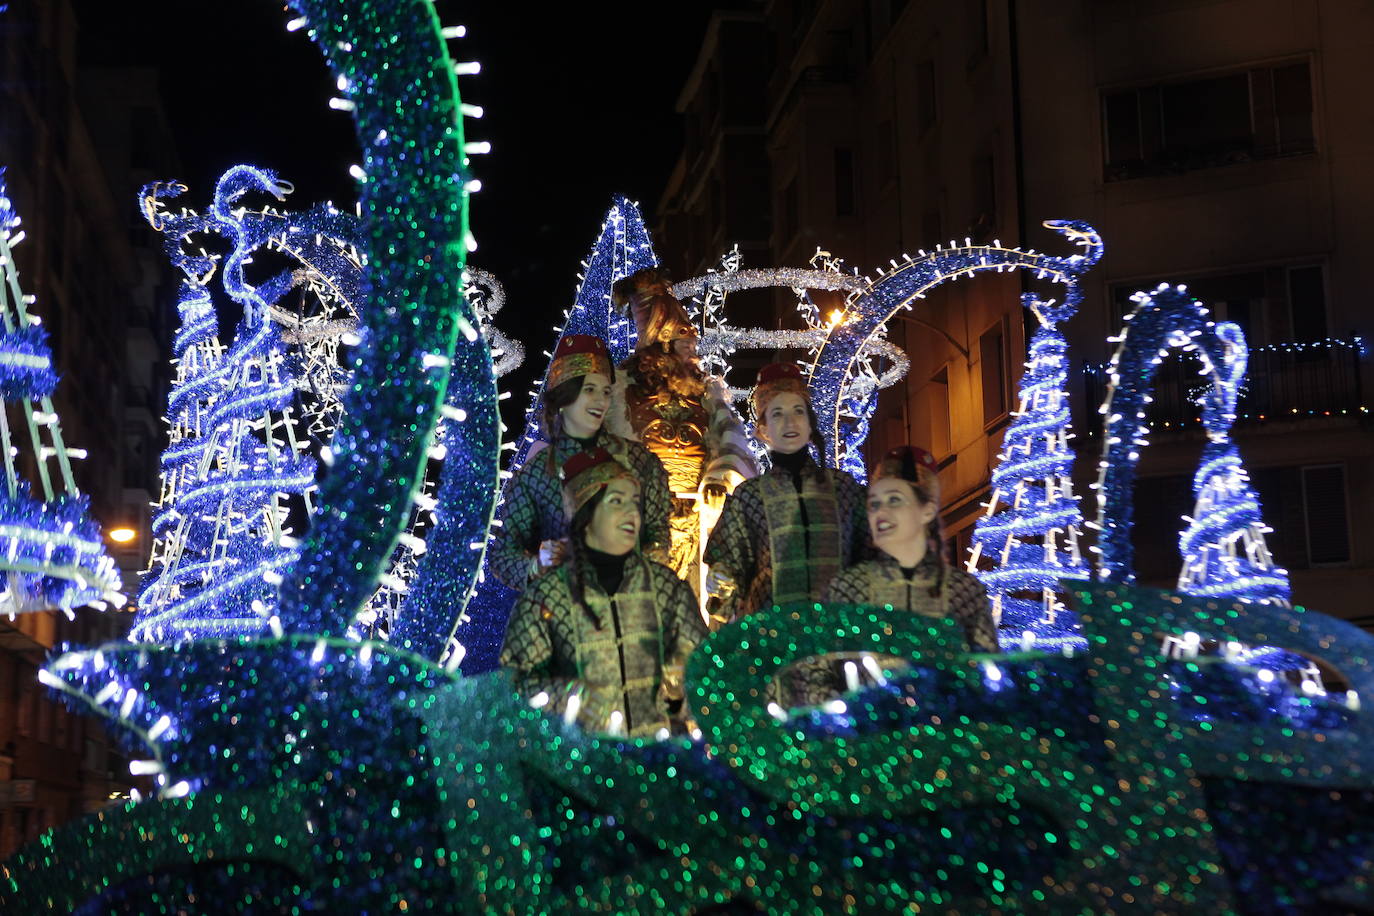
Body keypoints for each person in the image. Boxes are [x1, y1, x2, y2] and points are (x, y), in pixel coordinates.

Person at [500, 448, 708, 738]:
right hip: (582, 757)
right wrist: (573, 696)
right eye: (617, 501)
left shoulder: (665, 588)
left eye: (634, 502)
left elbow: (706, 671)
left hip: (658, 754)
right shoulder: (546, 598)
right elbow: (514, 686)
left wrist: (682, 686)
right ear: (586, 515)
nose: (632, 513)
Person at [607, 267, 756, 598]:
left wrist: (719, 480)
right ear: (663, 341)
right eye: (686, 346)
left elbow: (732, 441)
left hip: (696, 522)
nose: (694, 353)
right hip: (639, 527)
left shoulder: (707, 394)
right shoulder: (619, 389)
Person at [489, 334, 672, 591]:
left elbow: (659, 537)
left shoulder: (640, 462)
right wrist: (537, 564)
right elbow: (502, 555)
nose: (601, 401)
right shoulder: (536, 474)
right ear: (564, 396)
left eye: (606, 391)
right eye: (590, 390)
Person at [702, 362, 868, 627]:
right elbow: (728, 567)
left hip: (837, 633)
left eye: (798, 411)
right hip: (773, 635)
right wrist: (722, 584)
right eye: (777, 413)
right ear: (764, 429)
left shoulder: (843, 489)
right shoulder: (750, 497)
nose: (790, 422)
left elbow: (871, 558)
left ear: (810, 423)